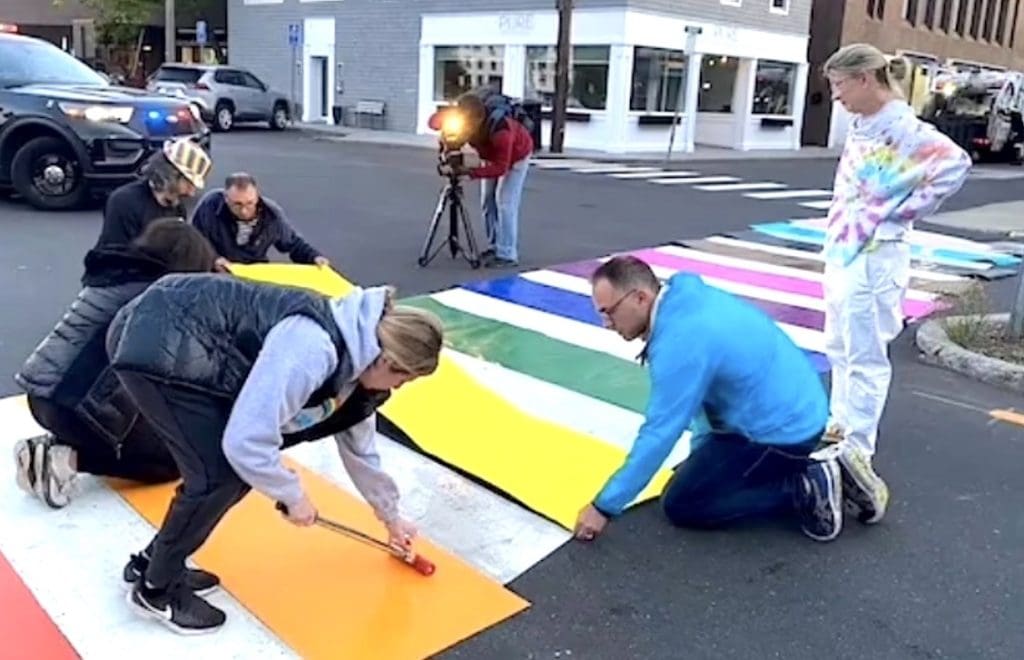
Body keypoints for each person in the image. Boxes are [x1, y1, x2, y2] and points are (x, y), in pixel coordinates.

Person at [105, 273, 444, 634]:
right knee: (215, 477)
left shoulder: (357, 355)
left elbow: (362, 453)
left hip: (187, 342)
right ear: (386, 361)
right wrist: (292, 495)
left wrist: (391, 519)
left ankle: (152, 563)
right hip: (156, 342)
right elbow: (247, 440)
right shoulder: (312, 349)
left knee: (232, 476)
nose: (400, 389)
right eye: (404, 380)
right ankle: (155, 592)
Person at [573, 256, 842, 544]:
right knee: (694, 479)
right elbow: (703, 398)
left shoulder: (679, 341)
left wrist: (604, 506)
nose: (606, 324)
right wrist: (700, 456)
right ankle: (803, 470)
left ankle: (802, 484)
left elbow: (661, 432)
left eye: (609, 312)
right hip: (794, 408)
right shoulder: (684, 301)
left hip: (783, 433)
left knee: (684, 505)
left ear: (640, 298)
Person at [820, 44, 971, 524]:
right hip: (847, 249)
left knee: (865, 354)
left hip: (875, 256)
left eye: (840, 86)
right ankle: (840, 429)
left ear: (865, 79)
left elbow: (954, 164)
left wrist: (893, 212)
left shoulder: (905, 129)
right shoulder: (865, 125)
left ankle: (857, 449)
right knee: (839, 346)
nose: (836, 97)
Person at [13, 220, 218, 510]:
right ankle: (67, 459)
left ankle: (52, 450)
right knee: (174, 462)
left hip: (40, 394)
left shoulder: (115, 275)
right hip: (76, 406)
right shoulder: (158, 294)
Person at [432, 90, 533, 268]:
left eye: (470, 125)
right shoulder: (462, 119)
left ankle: (508, 253)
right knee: (487, 200)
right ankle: (495, 246)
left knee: (505, 203)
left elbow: (501, 168)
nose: (467, 129)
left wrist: (471, 172)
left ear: (479, 119)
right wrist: (445, 117)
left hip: (517, 155)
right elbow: (432, 123)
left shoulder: (502, 131)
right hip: (490, 155)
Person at [189, 172, 329, 271]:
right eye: (237, 204)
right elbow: (194, 240)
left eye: (249, 203)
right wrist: (214, 259)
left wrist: (314, 257)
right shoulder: (210, 205)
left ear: (257, 197)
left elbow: (293, 243)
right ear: (226, 198)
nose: (244, 210)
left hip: (252, 275)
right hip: (216, 272)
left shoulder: (272, 215)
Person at [91, 139, 212, 253]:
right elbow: (116, 256)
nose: (191, 193)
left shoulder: (178, 209)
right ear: (171, 174)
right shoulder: (124, 202)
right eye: (189, 183)